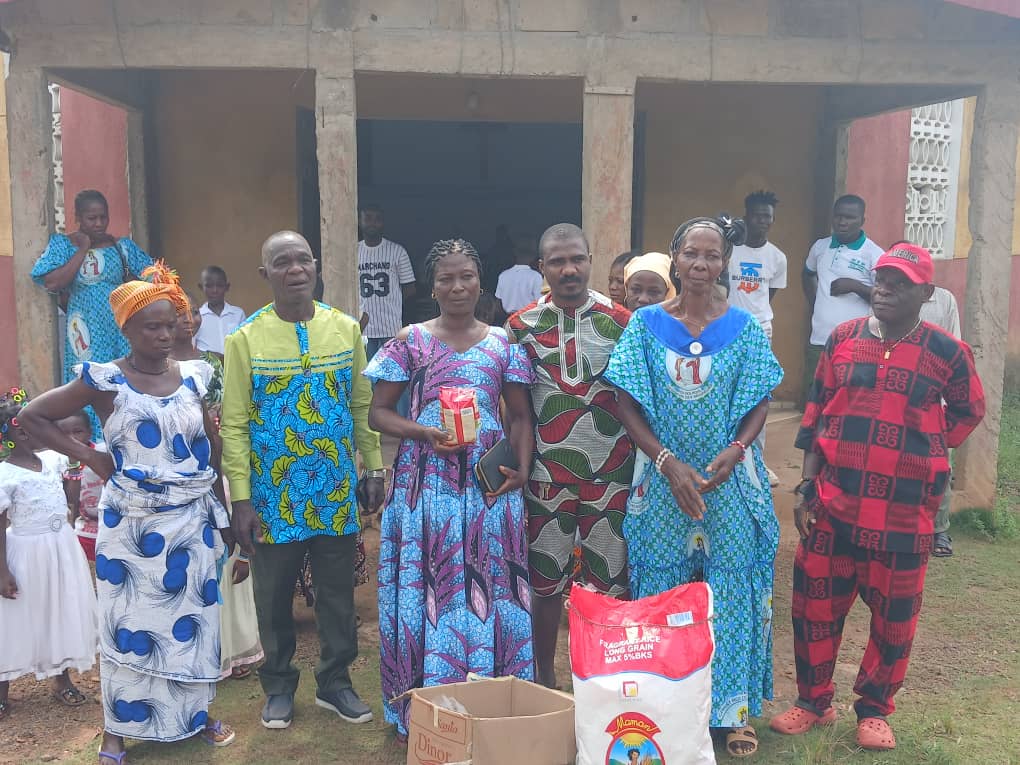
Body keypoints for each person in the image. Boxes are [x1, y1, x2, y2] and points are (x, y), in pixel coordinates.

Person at [769, 243, 984, 751]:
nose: (884, 287)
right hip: (833, 504)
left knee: (895, 617)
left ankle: (873, 710)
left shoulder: (947, 351)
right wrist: (805, 485)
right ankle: (812, 701)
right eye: (882, 278)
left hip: (905, 514)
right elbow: (816, 414)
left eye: (900, 282)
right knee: (813, 609)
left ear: (925, 293)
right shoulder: (842, 339)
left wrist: (925, 448)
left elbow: (968, 409)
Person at [20, 263, 237, 762]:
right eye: (151, 327)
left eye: (169, 325)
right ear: (127, 329)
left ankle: (195, 715)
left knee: (193, 622)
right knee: (127, 627)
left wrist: (223, 518)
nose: (163, 335)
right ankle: (116, 729)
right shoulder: (104, 380)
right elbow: (33, 415)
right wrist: (92, 456)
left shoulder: (195, 377)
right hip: (132, 525)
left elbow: (212, 445)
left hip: (192, 524)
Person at [605, 216, 783, 758]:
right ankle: (663, 707)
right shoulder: (644, 326)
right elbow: (625, 402)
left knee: (730, 592)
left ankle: (731, 714)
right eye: (691, 254)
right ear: (674, 258)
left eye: (712, 256)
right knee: (662, 595)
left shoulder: (746, 328)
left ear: (725, 262)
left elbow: (759, 399)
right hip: (662, 485)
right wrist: (664, 461)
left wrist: (737, 449)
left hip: (727, 484)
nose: (701, 265)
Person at [365, 238, 536, 741]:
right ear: (432, 286)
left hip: (487, 487)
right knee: (431, 587)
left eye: (466, 276)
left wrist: (520, 470)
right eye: (446, 278)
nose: (457, 286)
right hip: (427, 489)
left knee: (488, 586)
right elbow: (378, 413)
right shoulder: (408, 341)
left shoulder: (505, 343)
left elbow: (521, 416)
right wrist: (422, 432)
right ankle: (422, 705)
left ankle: (490, 696)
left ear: (481, 280)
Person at [221, 231, 385, 731]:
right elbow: (234, 425)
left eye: (302, 260)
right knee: (273, 597)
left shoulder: (346, 329)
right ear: (265, 274)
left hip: (334, 490)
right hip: (273, 497)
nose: (295, 270)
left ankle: (336, 683)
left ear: (316, 267)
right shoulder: (245, 339)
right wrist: (243, 500)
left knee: (337, 594)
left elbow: (362, 405)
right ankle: (278, 686)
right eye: (282, 262)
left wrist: (373, 466)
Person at [507, 223, 634, 690]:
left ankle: (605, 680)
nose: (569, 269)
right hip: (545, 478)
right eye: (557, 261)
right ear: (542, 268)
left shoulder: (621, 321)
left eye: (577, 259)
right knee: (545, 586)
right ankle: (545, 677)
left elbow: (634, 401)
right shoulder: (521, 326)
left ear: (590, 260)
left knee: (610, 585)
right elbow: (515, 409)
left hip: (613, 476)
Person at [170, 298, 263, 680]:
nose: (187, 321)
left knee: (226, 553)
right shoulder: (144, 373)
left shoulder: (210, 364)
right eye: (178, 317)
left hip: (216, 462)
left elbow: (228, 417)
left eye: (189, 313)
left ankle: (233, 647)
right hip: (179, 477)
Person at [0, 389, 97, 723]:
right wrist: (2, 572)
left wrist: (72, 472)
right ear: (7, 436)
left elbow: (71, 499)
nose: (27, 433)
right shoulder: (5, 475)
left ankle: (62, 679)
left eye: (32, 426)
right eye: (19, 429)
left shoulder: (55, 460)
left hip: (61, 547)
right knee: (15, 617)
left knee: (62, 608)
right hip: (25, 552)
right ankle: (3, 691)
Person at [31, 189, 153, 439]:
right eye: (91, 218)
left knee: (122, 382)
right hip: (83, 329)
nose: (98, 224)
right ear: (78, 217)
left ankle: (126, 438)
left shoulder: (123, 248)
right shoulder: (63, 244)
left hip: (119, 328)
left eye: (103, 217)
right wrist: (82, 249)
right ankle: (88, 440)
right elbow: (52, 282)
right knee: (85, 381)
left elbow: (155, 276)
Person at [728, 190, 788, 486]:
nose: (762, 221)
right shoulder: (729, 250)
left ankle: (758, 462)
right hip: (726, 329)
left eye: (768, 216)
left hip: (760, 331)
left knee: (757, 395)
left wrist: (756, 320)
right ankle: (728, 455)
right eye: (757, 215)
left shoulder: (777, 258)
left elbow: (769, 296)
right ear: (746, 215)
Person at [802, 195, 884, 401]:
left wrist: (856, 287)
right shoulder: (820, 247)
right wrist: (816, 303)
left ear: (862, 220)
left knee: (848, 398)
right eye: (838, 216)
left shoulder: (874, 254)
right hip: (819, 339)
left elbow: (883, 296)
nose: (842, 222)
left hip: (856, 342)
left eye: (849, 217)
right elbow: (807, 273)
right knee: (815, 398)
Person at [919, 282, 962, 558]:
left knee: (940, 465)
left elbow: (955, 346)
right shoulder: (885, 295)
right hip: (898, 394)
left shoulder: (945, 299)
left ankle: (939, 530)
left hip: (935, 398)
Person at [357, 204, 417, 359]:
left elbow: (410, 287)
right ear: (359, 221)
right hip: (362, 327)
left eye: (377, 219)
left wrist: (392, 302)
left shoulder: (397, 251)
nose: (372, 223)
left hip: (391, 327)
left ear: (383, 223)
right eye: (367, 218)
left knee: (389, 378)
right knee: (366, 377)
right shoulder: (352, 251)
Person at [55, 410, 105, 562]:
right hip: (83, 529)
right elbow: (72, 500)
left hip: (109, 525)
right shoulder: (58, 461)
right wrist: (73, 465)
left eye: (77, 432)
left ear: (89, 433)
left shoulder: (102, 453)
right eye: (64, 434)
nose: (72, 439)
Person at [193, 266, 246, 356]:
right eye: (209, 286)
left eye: (220, 285)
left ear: (227, 287)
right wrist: (210, 356)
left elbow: (244, 343)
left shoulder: (238, 314)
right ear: (201, 287)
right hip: (207, 367)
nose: (215, 290)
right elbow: (192, 347)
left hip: (233, 366)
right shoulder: (197, 317)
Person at [494, 234, 544, 316]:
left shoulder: (503, 275)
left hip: (507, 320)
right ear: (533, 256)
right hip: (528, 320)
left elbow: (498, 305)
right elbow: (540, 304)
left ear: (515, 253)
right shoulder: (535, 276)